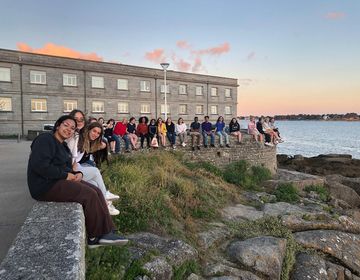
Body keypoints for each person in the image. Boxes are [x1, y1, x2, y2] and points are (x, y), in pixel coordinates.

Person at [27, 115, 128, 248]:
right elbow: (40, 166)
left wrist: (77, 174)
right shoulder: (45, 139)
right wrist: (66, 175)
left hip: (56, 180)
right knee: (88, 194)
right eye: (66, 125)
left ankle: (108, 229)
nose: (69, 129)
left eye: (72, 128)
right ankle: (95, 237)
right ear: (58, 125)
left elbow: (67, 167)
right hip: (44, 186)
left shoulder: (63, 146)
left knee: (96, 191)